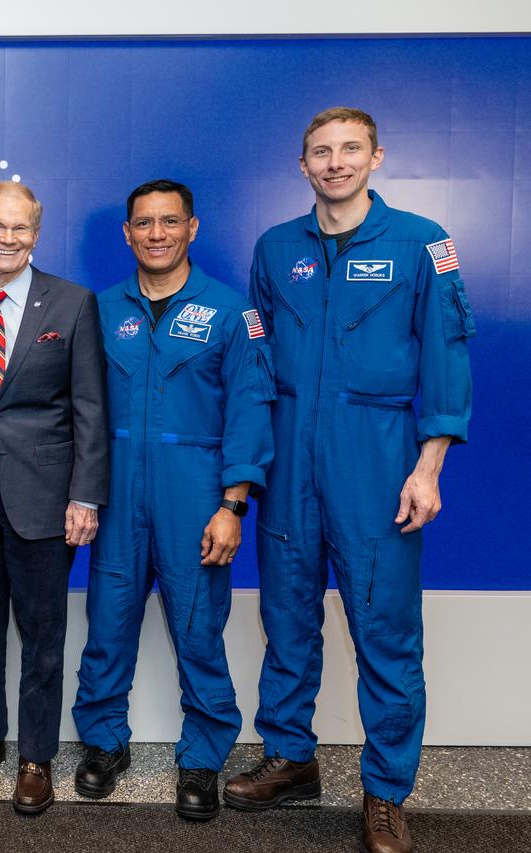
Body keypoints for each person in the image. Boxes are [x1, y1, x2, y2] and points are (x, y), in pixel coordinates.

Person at [224, 108, 473, 853]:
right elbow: (258, 356)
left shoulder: (425, 242)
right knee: (288, 617)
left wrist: (428, 467)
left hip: (378, 455)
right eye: (321, 152)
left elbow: (448, 355)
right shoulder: (275, 249)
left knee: (385, 630)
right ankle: (292, 756)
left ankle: (386, 791)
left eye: (350, 150)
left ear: (376, 156)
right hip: (290, 454)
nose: (335, 163)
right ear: (302, 164)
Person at [72, 179, 275, 821]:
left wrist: (232, 505)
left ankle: (202, 757)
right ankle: (105, 744)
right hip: (117, 488)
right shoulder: (99, 310)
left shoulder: (229, 312)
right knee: (107, 627)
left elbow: (249, 409)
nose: (156, 234)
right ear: (127, 233)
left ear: (192, 228)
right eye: (144, 224)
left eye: (169, 222)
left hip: (196, 494)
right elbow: (78, 407)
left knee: (198, 630)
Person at [0, 181, 106, 815]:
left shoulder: (73, 303)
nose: (8, 238)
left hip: (46, 497)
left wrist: (85, 496)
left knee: (42, 634)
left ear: (36, 234)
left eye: (21, 228)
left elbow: (89, 406)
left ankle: (36, 756)